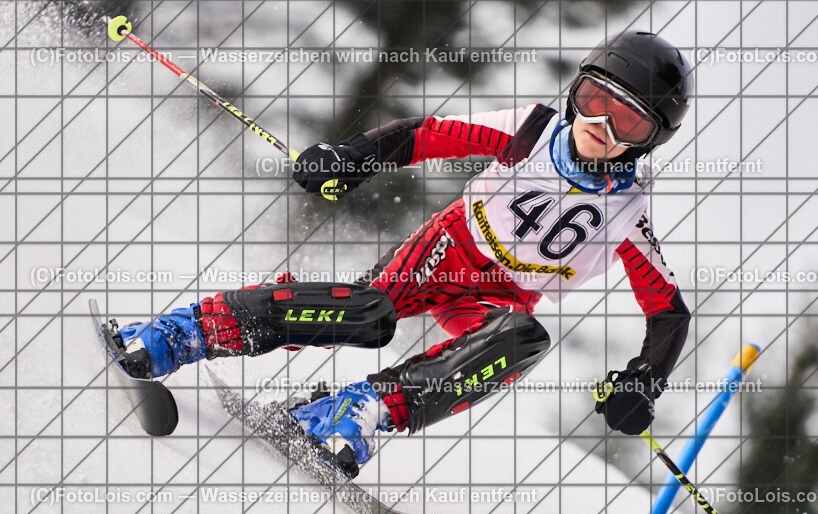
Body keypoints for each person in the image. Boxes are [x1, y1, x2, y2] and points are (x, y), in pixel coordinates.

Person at [112, 30, 694, 478]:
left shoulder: (628, 212)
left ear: (651, 138)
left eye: (628, 121)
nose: (600, 125)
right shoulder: (531, 134)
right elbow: (426, 133)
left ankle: (358, 410)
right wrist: (351, 157)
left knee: (522, 340)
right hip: (448, 250)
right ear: (576, 91)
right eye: (595, 100)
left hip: (499, 298)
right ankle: (191, 328)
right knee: (367, 315)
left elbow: (667, 310)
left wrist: (642, 382)